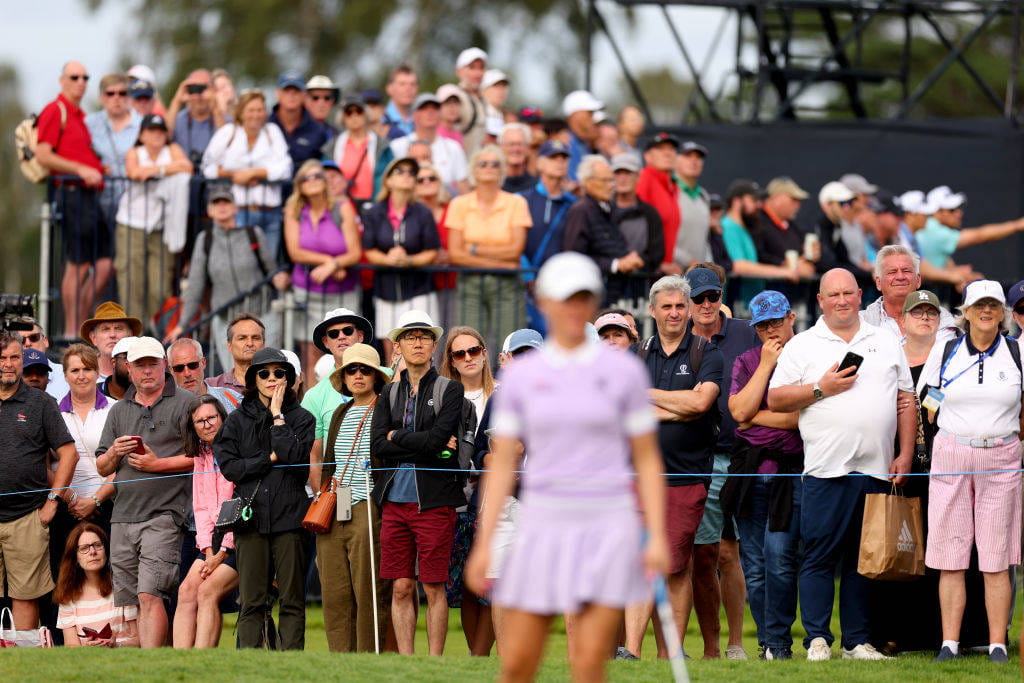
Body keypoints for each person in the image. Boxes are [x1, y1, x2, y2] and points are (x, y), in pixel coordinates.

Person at [464, 251, 669, 681]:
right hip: (543, 521)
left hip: (605, 523)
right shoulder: (522, 376)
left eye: (582, 297)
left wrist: (655, 534)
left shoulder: (624, 372)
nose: (574, 307)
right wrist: (483, 544)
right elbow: (502, 464)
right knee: (518, 661)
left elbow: (647, 458)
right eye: (564, 298)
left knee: (589, 664)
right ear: (544, 302)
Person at [767, 268, 916, 661]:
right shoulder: (803, 344)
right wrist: (821, 387)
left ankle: (856, 642)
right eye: (833, 295)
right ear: (820, 300)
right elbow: (776, 399)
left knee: (862, 561)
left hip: (877, 467)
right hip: (824, 468)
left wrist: (903, 453)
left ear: (859, 295)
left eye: (848, 293)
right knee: (818, 555)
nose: (842, 301)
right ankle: (817, 638)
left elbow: (906, 399)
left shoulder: (885, 340)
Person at [624, 275, 724, 659]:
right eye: (666, 306)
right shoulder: (635, 355)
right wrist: (678, 405)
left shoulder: (706, 353)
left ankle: (673, 652)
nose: (674, 313)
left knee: (677, 565)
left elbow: (701, 406)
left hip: (686, 476)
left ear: (689, 310)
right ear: (652, 311)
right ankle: (631, 651)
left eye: (680, 306)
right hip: (639, 477)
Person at [924, 280, 1023, 664]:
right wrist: (945, 424)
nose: (986, 312)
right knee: (951, 554)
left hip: (1001, 456)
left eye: (993, 306)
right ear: (965, 311)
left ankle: (997, 643)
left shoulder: (1016, 352)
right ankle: (950, 643)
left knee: (996, 557)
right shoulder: (946, 348)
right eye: (979, 305)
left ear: (1002, 313)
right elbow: (929, 396)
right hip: (952, 453)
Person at [371, 311, 466, 656]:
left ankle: (435, 662)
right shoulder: (388, 393)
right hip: (394, 500)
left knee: (433, 585)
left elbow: (439, 440)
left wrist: (399, 435)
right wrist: (419, 440)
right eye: (409, 337)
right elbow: (378, 445)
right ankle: (409, 663)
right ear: (397, 346)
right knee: (400, 586)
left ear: (434, 344)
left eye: (424, 336)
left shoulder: (450, 389)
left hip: (435, 502)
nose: (417, 342)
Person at [94, 336, 194, 648]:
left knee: (151, 594)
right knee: (131, 602)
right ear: (128, 369)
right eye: (140, 365)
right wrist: (114, 452)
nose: (147, 371)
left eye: (153, 363)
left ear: (165, 365)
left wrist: (158, 464)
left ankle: (151, 666)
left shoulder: (187, 402)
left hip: (165, 514)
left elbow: (206, 458)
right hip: (122, 516)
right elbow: (101, 467)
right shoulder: (118, 410)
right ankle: (143, 666)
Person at [214, 347, 315, 650]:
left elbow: (296, 460)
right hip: (251, 520)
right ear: (252, 378)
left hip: (290, 519)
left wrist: (278, 416)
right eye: (264, 373)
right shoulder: (236, 420)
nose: (272, 378)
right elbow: (231, 468)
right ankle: (249, 666)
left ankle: (291, 668)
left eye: (279, 373)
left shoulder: (302, 418)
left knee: (292, 600)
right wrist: (268, 459)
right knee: (252, 601)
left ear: (289, 378)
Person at [684, 266, 758, 660]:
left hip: (747, 454)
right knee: (709, 553)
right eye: (699, 298)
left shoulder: (746, 332)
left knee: (739, 553)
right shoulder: (679, 340)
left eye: (713, 296)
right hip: (700, 458)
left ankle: (736, 643)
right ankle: (713, 646)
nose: (707, 304)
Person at [725, 291, 804, 660]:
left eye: (776, 321)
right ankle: (769, 645)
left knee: (780, 559)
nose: (771, 330)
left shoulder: (807, 354)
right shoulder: (747, 360)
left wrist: (752, 414)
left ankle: (779, 642)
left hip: (789, 471)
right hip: (749, 472)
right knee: (754, 567)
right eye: (763, 325)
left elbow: (798, 419)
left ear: (791, 317)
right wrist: (764, 367)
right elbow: (737, 409)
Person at [315, 343, 392, 652]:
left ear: (376, 376)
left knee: (369, 589)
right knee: (334, 592)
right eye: (351, 370)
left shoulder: (386, 408)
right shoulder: (339, 412)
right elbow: (329, 462)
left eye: (365, 370)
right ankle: (340, 662)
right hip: (335, 507)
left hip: (368, 506)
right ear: (343, 377)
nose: (358, 375)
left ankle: (368, 659)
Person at [0, 333, 77, 631]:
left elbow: (68, 453)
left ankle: (22, 663)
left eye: (14, 358)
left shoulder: (41, 402)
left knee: (26, 596)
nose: (8, 364)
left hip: (28, 516)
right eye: (2, 358)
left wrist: (52, 501)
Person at [165, 186, 287, 365]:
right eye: (216, 203)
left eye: (226, 202)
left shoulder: (253, 234)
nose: (222, 207)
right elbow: (195, 285)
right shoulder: (205, 240)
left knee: (265, 370)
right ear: (209, 210)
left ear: (235, 207)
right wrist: (182, 324)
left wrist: (280, 279)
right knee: (234, 377)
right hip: (226, 321)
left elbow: (271, 270)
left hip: (262, 315)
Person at [35, 62, 114, 338]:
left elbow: (76, 153)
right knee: (78, 263)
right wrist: (80, 169)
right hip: (72, 195)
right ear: (62, 80)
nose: (81, 81)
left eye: (85, 77)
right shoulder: (54, 111)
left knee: (104, 263)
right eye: (74, 77)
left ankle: (79, 325)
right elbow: (42, 154)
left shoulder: (78, 115)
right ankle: (71, 331)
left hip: (90, 196)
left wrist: (95, 168)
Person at [439, 326, 498, 656]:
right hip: (457, 502)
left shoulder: (501, 393)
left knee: (495, 582)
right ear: (451, 360)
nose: (468, 358)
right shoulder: (445, 396)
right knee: (465, 586)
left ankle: (486, 652)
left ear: (484, 353)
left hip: (497, 502)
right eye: (459, 353)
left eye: (473, 350)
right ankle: (477, 657)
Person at [447, 145, 532, 347]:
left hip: (507, 285)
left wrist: (474, 249)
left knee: (512, 343)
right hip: (471, 282)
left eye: (495, 164)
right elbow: (455, 254)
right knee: (468, 344)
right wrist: (501, 264)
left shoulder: (516, 203)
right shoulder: (459, 203)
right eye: (482, 163)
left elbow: (515, 250)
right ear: (473, 170)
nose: (489, 167)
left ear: (502, 170)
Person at [171, 395, 239, 649]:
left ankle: (201, 663)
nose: (207, 424)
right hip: (213, 544)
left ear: (222, 418)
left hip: (241, 540)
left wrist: (221, 553)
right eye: (199, 421)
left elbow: (240, 504)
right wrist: (208, 550)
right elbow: (200, 508)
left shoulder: (237, 448)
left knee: (207, 591)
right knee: (186, 590)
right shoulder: (201, 455)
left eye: (211, 417)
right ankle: (181, 664)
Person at [284, 159, 362, 373]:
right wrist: (329, 263)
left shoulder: (342, 207)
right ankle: (312, 404)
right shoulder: (294, 210)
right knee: (312, 354)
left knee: (349, 352)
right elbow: (294, 251)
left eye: (317, 176)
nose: (312, 181)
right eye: (305, 178)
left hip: (343, 292)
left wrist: (334, 265)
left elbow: (355, 252)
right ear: (299, 185)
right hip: (307, 291)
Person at [116, 113, 193, 326]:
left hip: (161, 225)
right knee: (132, 280)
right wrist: (167, 170)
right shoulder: (135, 152)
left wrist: (156, 170)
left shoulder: (173, 149)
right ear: (142, 135)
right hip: (132, 223)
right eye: (152, 131)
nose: (157, 135)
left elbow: (187, 167)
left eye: (160, 131)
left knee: (161, 285)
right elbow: (135, 172)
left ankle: (157, 329)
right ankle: (134, 334)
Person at [201, 89, 293, 260]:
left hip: (269, 212)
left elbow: (285, 169)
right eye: (251, 110)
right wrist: (234, 175)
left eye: (260, 110)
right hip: (239, 212)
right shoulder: (229, 133)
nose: (256, 115)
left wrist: (254, 173)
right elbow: (208, 167)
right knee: (241, 264)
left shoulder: (272, 132)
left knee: (268, 265)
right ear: (241, 112)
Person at [362, 157, 441, 355]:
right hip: (385, 290)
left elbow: (432, 250)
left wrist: (410, 260)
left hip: (418, 289)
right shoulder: (374, 212)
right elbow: (369, 249)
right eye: (400, 171)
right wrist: (388, 260)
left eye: (411, 173)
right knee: (392, 351)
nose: (406, 176)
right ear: (387, 180)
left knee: (420, 348)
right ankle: (395, 387)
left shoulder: (423, 212)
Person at [304, 308, 373, 484]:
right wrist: (321, 502)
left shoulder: (387, 378)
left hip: (385, 488)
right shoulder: (314, 396)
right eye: (334, 334)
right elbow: (315, 457)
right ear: (326, 342)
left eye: (348, 331)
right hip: (339, 492)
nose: (341, 336)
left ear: (360, 336)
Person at [562, 155, 644, 303]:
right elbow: (575, 257)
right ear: (588, 182)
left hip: (610, 293)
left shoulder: (608, 208)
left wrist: (627, 258)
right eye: (605, 180)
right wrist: (616, 264)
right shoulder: (581, 210)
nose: (612, 185)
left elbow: (609, 246)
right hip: (591, 297)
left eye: (611, 180)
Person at [58, 344, 117, 529]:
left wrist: (95, 500)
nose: (81, 376)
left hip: (110, 506)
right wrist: (72, 500)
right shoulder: (53, 413)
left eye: (87, 369)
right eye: (75, 370)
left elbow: (125, 463)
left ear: (98, 372)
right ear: (66, 376)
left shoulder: (116, 409)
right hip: (65, 508)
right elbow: (44, 465)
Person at [54, 523, 139, 647]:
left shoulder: (122, 586)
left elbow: (140, 639)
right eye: (84, 548)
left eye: (97, 545)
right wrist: (87, 649)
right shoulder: (67, 595)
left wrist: (116, 646)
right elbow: (71, 646)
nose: (93, 552)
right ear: (75, 557)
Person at [721, 179, 799, 305]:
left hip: (748, 303)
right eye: (753, 200)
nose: (758, 205)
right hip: (737, 302)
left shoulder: (744, 228)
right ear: (736, 201)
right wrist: (783, 272)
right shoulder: (728, 227)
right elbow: (739, 266)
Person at [861, 245, 958, 344]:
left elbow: (945, 355)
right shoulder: (860, 322)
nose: (900, 276)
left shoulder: (941, 318)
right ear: (878, 282)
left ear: (918, 280)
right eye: (892, 272)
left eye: (906, 271)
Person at [916, 186, 1024, 270]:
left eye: (959, 208)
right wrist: (1017, 225)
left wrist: (955, 272)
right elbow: (980, 236)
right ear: (936, 212)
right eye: (952, 210)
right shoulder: (936, 231)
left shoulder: (930, 227)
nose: (959, 213)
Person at [85, 73, 142, 227]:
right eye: (110, 93)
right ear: (102, 98)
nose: (116, 98)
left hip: (133, 204)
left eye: (122, 93)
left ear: (129, 97)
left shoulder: (142, 125)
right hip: (99, 203)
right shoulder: (89, 124)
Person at [390, 93, 470, 195]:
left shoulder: (453, 147)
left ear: (440, 114)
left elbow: (463, 186)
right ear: (414, 115)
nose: (430, 113)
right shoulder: (397, 146)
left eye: (435, 109)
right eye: (424, 109)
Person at [610, 153, 665, 298]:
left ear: (638, 177)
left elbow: (657, 252)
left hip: (639, 289)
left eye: (628, 173)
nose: (622, 178)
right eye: (618, 173)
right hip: (607, 286)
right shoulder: (602, 210)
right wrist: (618, 262)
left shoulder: (650, 213)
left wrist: (637, 261)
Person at [324, 96, 393, 206]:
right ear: (343, 118)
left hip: (375, 205)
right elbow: (326, 176)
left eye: (359, 112)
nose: (354, 116)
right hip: (341, 205)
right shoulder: (332, 147)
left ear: (366, 115)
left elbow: (391, 174)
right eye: (349, 113)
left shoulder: (382, 146)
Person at [269, 70, 331, 170]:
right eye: (286, 91)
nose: (291, 95)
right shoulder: (265, 126)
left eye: (296, 91)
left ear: (304, 95)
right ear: (278, 94)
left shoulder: (318, 130)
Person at [166, 69, 228, 165]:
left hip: (215, 176)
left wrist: (215, 106)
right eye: (193, 88)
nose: (199, 95)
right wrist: (177, 101)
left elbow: (227, 142)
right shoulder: (178, 119)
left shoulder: (223, 119)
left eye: (203, 88)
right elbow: (165, 137)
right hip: (185, 175)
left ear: (213, 90)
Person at [166, 338, 241, 411]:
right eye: (179, 368)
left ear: (203, 363)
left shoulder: (231, 398)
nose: (187, 373)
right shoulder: (164, 409)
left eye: (193, 365)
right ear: (171, 370)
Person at [205, 314, 268, 394]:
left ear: (264, 345)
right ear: (230, 346)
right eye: (242, 338)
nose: (250, 343)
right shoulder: (212, 387)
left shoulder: (278, 383)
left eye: (255, 338)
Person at [672, 141, 711, 268]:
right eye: (687, 156)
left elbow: (704, 239)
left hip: (697, 277)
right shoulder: (667, 191)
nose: (694, 161)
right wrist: (689, 261)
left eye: (698, 157)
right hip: (670, 275)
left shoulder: (703, 196)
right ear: (675, 160)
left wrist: (709, 267)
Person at [80, 302, 142, 380]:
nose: (112, 335)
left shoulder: (143, 372)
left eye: (118, 328)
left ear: (130, 336)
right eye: (105, 329)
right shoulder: (80, 374)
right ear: (93, 338)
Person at [15, 319, 70, 400]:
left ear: (45, 341)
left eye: (34, 337)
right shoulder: (6, 377)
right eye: (21, 340)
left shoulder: (69, 374)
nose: (28, 343)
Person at [452, 48, 489, 155]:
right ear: (459, 71)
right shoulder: (455, 97)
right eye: (472, 68)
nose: (478, 74)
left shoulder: (482, 100)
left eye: (481, 68)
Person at [562, 90, 602, 182]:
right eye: (589, 112)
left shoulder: (584, 143)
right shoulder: (566, 144)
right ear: (575, 115)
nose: (593, 117)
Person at [498, 123, 536, 194]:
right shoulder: (492, 185)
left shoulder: (537, 187)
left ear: (528, 148)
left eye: (520, 144)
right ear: (500, 148)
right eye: (511, 144)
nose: (516, 149)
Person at [383, 63, 419, 138]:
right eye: (402, 84)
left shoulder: (420, 121)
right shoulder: (380, 121)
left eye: (412, 84)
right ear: (389, 89)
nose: (408, 89)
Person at [99, 336, 136, 401]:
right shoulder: (94, 393)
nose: (134, 365)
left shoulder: (151, 397)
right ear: (113, 362)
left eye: (139, 361)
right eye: (128, 358)